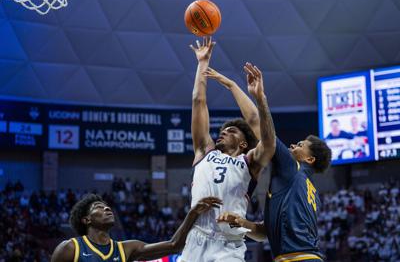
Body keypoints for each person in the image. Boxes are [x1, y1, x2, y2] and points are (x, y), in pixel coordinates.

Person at [205, 67, 332, 261]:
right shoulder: (310, 192)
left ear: (310, 159)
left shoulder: (292, 167)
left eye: (299, 145)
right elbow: (265, 232)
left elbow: (256, 121)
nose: (292, 145)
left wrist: (248, 92)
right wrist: (240, 222)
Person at [181, 37, 275, 262]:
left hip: (228, 244)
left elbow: (264, 135)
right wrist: (202, 63)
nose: (223, 132)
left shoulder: (249, 161)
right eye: (223, 130)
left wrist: (237, 87)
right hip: (195, 240)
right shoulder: (205, 152)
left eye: (231, 131)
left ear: (243, 144)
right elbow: (198, 101)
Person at [51, 193, 221, 262]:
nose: (107, 208)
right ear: (86, 220)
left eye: (107, 206)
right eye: (98, 207)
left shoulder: (126, 249)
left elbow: (174, 245)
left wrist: (193, 213)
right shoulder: (70, 248)